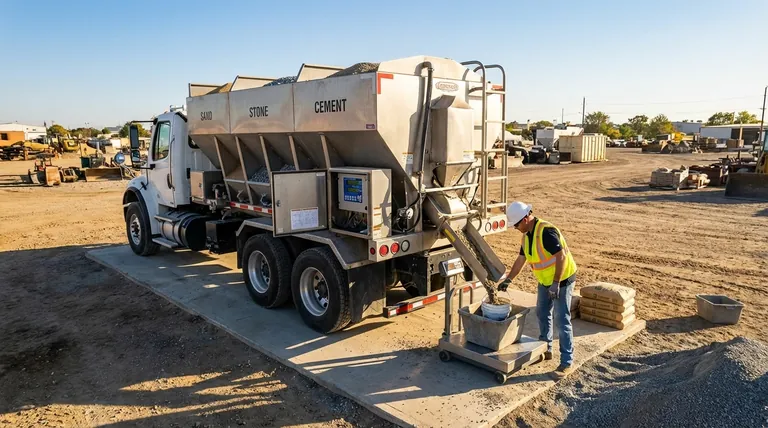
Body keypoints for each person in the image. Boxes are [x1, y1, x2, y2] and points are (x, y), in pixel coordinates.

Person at [499, 201, 578, 379]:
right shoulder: (526, 235)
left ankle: (567, 362)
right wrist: (509, 279)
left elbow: (562, 257)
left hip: (562, 280)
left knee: (562, 319)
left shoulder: (546, 232)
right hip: (545, 281)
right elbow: (521, 259)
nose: (516, 228)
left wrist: (556, 283)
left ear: (526, 218)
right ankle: (546, 348)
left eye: (517, 224)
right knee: (542, 312)